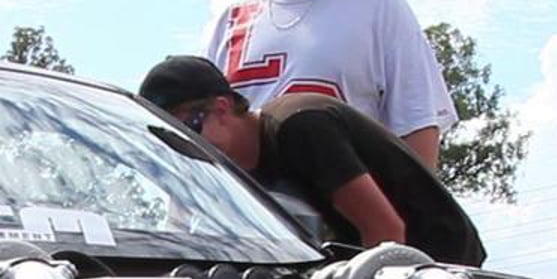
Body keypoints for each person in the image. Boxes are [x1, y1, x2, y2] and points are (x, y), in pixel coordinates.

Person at [138, 55, 484, 265]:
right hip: (388, 260)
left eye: (187, 128)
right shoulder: (246, 169)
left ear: (222, 107)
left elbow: (385, 230)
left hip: (440, 260)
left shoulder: (299, 128)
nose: (185, 145)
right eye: (170, 140)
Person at [203, 0, 456, 170]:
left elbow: (417, 127)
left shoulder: (378, 6)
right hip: (241, 198)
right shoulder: (232, 20)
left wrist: (414, 201)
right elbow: (200, 128)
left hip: (342, 197)